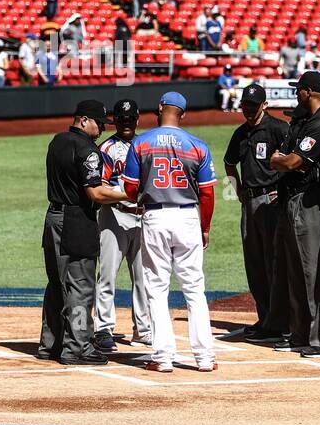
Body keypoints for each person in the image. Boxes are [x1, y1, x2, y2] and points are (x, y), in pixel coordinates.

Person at [121, 91, 218, 373]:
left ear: (160, 107)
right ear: (183, 114)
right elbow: (208, 194)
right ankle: (204, 357)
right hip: (188, 217)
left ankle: (163, 357)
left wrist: (144, 193)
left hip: (155, 216)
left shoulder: (141, 142)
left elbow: (129, 188)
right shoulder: (197, 145)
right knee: (194, 289)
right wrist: (205, 227)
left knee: (156, 288)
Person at [38, 100, 128, 365]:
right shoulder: (88, 150)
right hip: (77, 221)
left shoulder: (57, 141)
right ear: (84, 120)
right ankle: (77, 347)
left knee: (56, 284)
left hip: (52, 218)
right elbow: (94, 193)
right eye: (99, 124)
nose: (102, 129)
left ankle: (50, 344)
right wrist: (130, 194)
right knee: (80, 286)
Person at [262, 71, 320, 355]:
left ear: (309, 92)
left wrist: (283, 161)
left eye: (299, 90)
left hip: (314, 204)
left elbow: (291, 161)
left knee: (314, 273)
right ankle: (301, 334)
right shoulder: (306, 123)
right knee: (295, 272)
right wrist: (283, 161)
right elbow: (277, 158)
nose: (297, 94)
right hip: (294, 200)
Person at [221, 83, 288, 339]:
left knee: (274, 261)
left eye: (253, 105)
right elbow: (229, 164)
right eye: (245, 105)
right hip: (249, 203)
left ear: (265, 105)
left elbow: (295, 162)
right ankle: (266, 318)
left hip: (271, 203)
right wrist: (237, 189)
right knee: (255, 263)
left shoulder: (279, 129)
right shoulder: (240, 133)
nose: (248, 110)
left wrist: (283, 190)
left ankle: (280, 322)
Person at [93, 99, 152, 351]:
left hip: (142, 217)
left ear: (137, 119)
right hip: (114, 216)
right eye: (121, 119)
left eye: (130, 119)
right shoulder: (106, 148)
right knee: (107, 275)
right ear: (114, 121)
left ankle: (144, 329)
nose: (126, 123)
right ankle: (104, 329)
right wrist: (125, 194)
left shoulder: (147, 145)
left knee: (144, 278)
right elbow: (100, 185)